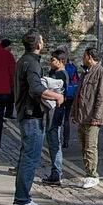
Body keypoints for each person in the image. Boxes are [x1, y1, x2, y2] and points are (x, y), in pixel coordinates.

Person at [12, 28, 64, 205]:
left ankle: (22, 197)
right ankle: (22, 199)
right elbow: (35, 89)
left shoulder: (23, 61)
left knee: (27, 156)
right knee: (30, 158)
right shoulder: (32, 63)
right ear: (39, 44)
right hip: (31, 115)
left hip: (26, 114)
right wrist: (55, 96)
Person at [69, 47, 103, 189]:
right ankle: (88, 173)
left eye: (85, 56)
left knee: (90, 147)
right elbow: (78, 95)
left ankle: (93, 175)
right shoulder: (85, 73)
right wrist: (74, 112)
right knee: (83, 145)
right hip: (82, 115)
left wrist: (97, 117)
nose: (83, 58)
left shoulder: (102, 74)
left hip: (92, 117)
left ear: (90, 57)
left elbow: (102, 98)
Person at [40, 48, 68, 185]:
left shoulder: (61, 76)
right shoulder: (54, 73)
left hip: (56, 113)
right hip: (53, 112)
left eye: (53, 60)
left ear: (60, 61)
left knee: (54, 143)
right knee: (52, 142)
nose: (50, 62)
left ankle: (57, 172)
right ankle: (55, 171)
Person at [60, 49, 78, 148]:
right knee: (67, 118)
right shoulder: (73, 67)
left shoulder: (60, 68)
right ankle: (66, 140)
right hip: (71, 94)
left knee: (58, 118)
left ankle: (58, 139)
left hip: (61, 95)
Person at [0, 38, 15, 118]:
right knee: (8, 98)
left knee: (9, 98)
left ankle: (8, 113)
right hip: (7, 81)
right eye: (10, 45)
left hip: (6, 80)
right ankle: (6, 113)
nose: (11, 47)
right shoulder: (8, 55)